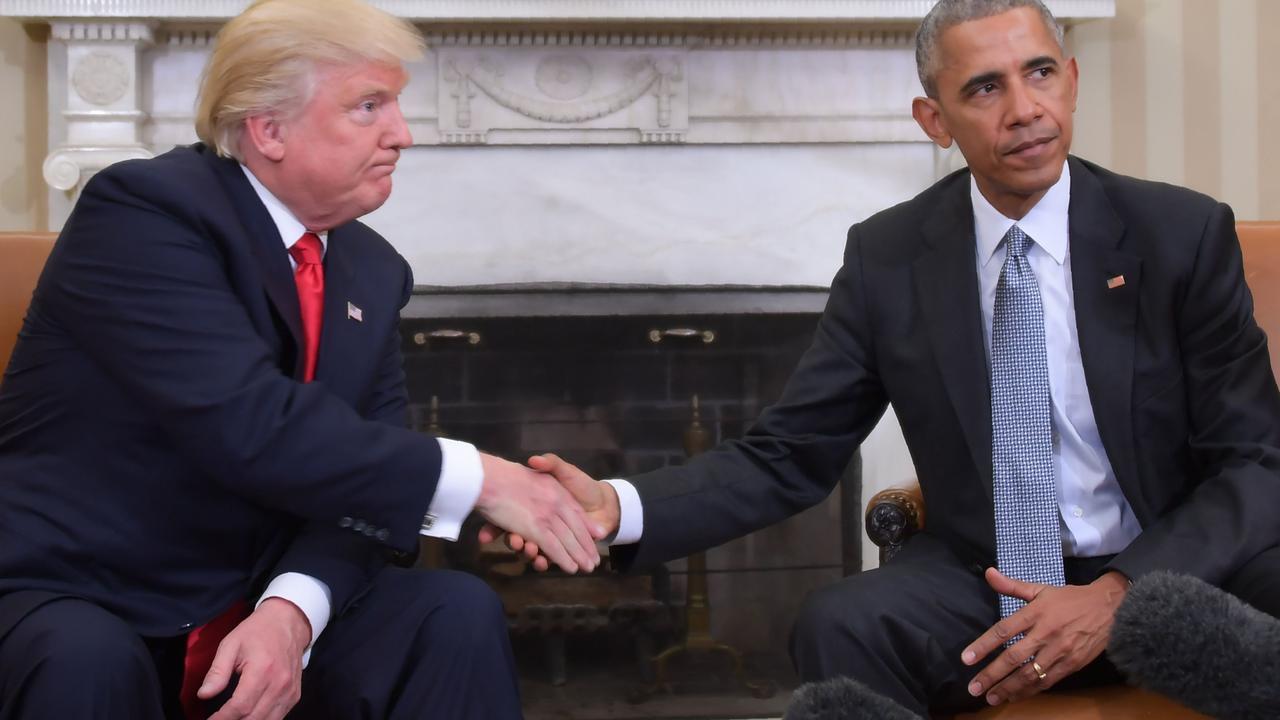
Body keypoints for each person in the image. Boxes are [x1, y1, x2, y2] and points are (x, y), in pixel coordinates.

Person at [493, 0, 1280, 714]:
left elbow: (1255, 462)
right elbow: (788, 455)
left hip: (1173, 572)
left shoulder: (1176, 235)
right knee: (842, 625)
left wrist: (1119, 593)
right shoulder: (891, 258)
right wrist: (618, 508)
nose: (1025, 110)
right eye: (984, 89)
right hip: (990, 582)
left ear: (1071, 80)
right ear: (934, 119)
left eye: (1039, 73)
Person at [0, 1, 605, 718]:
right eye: (368, 106)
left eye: (397, 105)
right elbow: (251, 422)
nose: (403, 135)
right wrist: (480, 479)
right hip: (93, 587)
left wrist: (293, 611)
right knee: (83, 658)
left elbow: (364, 484)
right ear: (269, 129)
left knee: (452, 610)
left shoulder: (374, 271)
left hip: (256, 588)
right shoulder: (145, 213)